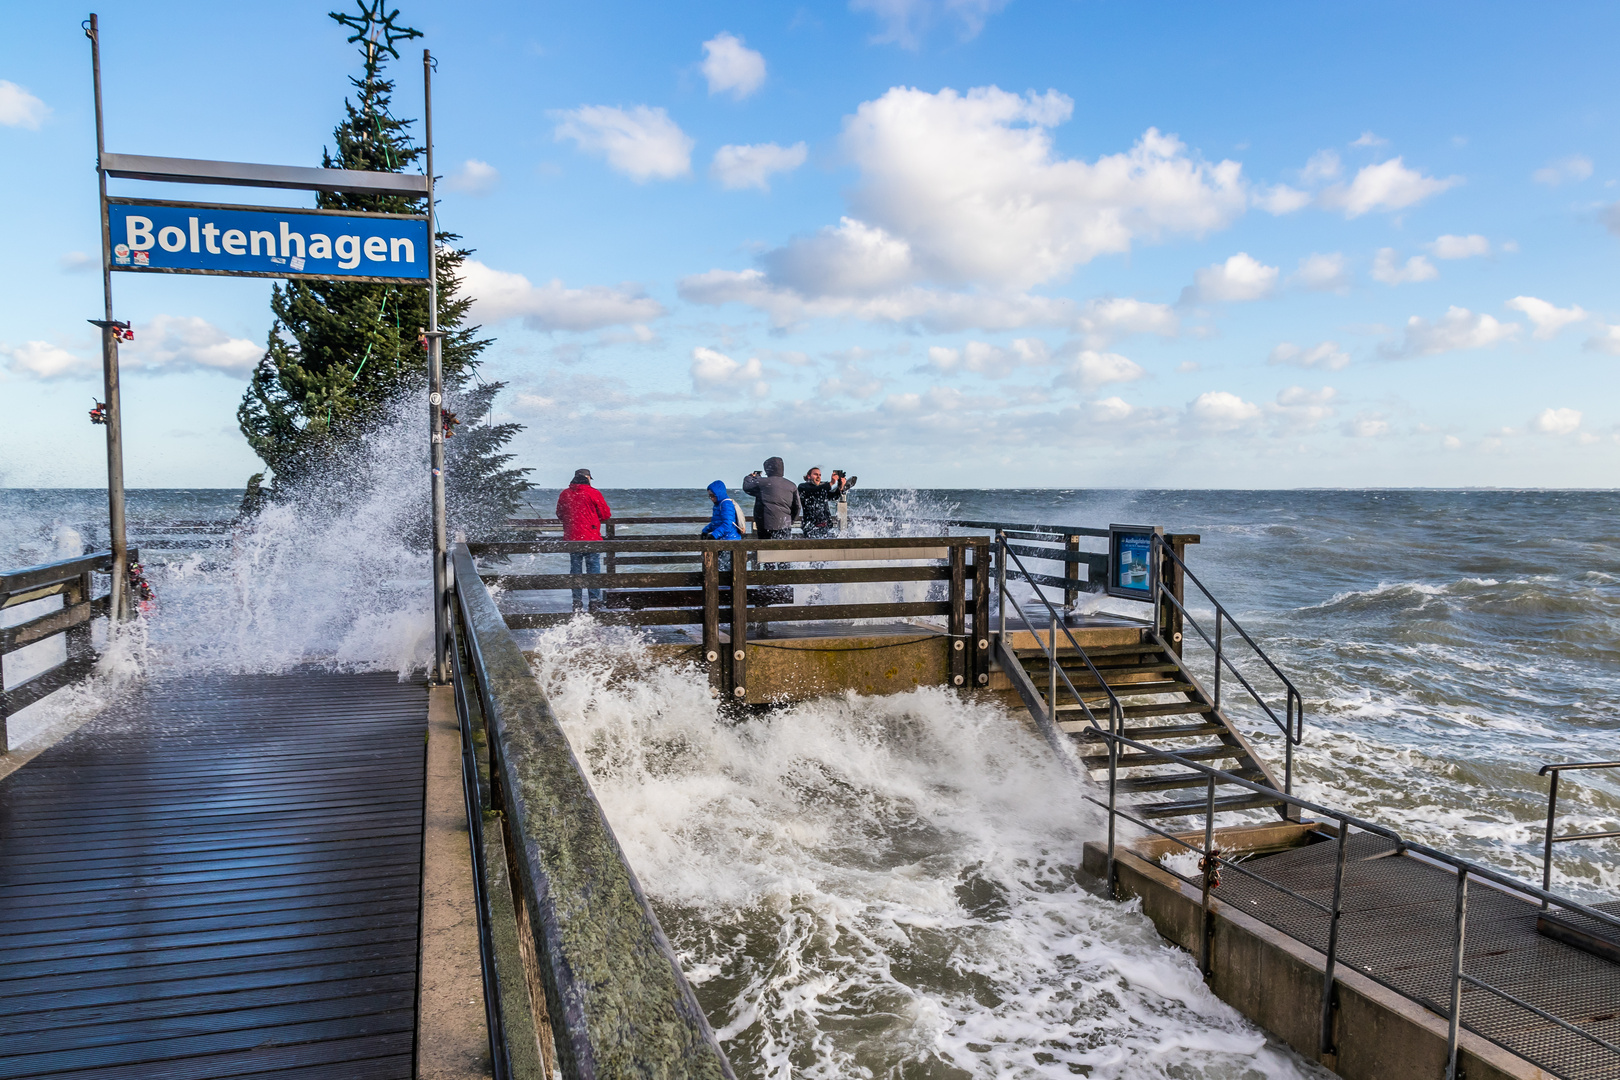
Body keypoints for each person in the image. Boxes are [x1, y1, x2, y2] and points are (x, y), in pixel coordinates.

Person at [556, 468, 611, 610]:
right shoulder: (593, 493)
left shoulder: (565, 494)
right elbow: (605, 514)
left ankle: (576, 600)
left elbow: (560, 513)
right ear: (587, 478)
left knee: (575, 569)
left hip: (572, 537)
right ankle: (594, 600)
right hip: (591, 537)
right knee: (593, 568)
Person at [742, 457, 801, 540]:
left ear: (767, 469)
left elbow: (747, 487)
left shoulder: (762, 482)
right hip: (785, 524)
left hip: (765, 524)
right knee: (783, 548)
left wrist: (749, 477)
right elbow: (797, 506)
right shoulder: (792, 485)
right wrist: (791, 521)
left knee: (765, 550)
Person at [700, 480, 746, 572]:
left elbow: (727, 524)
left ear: (719, 494)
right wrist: (705, 531)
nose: (712, 498)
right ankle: (721, 585)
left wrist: (714, 535)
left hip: (730, 541)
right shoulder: (718, 505)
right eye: (710, 496)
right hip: (722, 540)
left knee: (725, 568)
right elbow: (716, 523)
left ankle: (724, 586)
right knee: (719, 567)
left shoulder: (726, 504)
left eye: (713, 496)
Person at [798, 467, 856, 538]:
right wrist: (831, 483)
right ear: (808, 476)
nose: (818, 477)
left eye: (820, 475)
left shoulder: (821, 489)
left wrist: (840, 488)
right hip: (811, 527)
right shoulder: (803, 487)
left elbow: (833, 497)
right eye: (816, 474)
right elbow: (815, 490)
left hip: (825, 527)